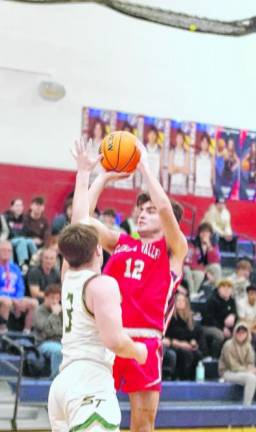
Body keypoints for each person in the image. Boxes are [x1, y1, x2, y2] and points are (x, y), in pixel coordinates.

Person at [71, 137, 187, 432]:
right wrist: (102, 177)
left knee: (142, 426)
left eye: (148, 211)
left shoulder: (174, 249)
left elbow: (164, 207)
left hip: (145, 341)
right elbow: (82, 220)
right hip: (107, 339)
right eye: (140, 210)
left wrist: (145, 168)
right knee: (90, 420)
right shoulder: (120, 242)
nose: (142, 213)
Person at [48, 224, 147, 432]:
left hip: (63, 384)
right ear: (98, 250)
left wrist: (85, 189)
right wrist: (139, 351)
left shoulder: (67, 278)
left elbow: (78, 221)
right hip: (89, 383)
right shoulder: (102, 284)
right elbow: (115, 342)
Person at [0, 240, 38, 333]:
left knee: (34, 302)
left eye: (9, 250)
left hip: (14, 297)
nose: (6, 253)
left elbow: (20, 286)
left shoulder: (15, 268)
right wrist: (12, 299)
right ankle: (2, 330)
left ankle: (27, 331)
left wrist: (18, 298)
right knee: (7, 301)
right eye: (3, 250)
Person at [219, 322, 256, 406]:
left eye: (243, 332)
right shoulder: (228, 345)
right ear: (235, 333)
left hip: (245, 371)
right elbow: (233, 366)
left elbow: (251, 363)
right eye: (239, 332)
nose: (241, 334)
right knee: (251, 378)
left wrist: (253, 370)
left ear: (247, 334)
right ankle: (246, 407)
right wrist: (250, 371)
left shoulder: (248, 346)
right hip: (228, 372)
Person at [163, 293, 202, 380]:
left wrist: (193, 341)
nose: (180, 302)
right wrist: (181, 344)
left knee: (198, 354)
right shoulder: (170, 318)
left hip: (186, 345)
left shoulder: (190, 319)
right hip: (173, 344)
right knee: (185, 354)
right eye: (178, 300)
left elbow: (193, 334)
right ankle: (183, 378)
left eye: (183, 300)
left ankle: (193, 380)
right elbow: (167, 337)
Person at [201, 279, 237, 358]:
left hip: (225, 327)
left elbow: (235, 313)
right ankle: (214, 358)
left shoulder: (232, 301)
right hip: (208, 326)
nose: (226, 289)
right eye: (223, 287)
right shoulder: (212, 300)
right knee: (219, 335)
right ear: (218, 289)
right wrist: (222, 328)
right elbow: (209, 318)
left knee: (239, 333)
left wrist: (233, 315)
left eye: (229, 287)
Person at [34, 284, 63, 379]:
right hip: (43, 343)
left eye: (57, 298)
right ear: (45, 297)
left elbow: (63, 331)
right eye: (52, 298)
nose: (55, 301)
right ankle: (55, 379)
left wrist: (55, 331)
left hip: (60, 341)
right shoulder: (39, 311)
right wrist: (54, 315)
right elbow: (45, 330)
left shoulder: (62, 312)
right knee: (59, 351)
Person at [184, 222, 221, 297]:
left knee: (217, 267)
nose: (205, 234)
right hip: (195, 267)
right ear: (199, 233)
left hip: (204, 268)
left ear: (211, 234)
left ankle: (218, 291)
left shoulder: (213, 245)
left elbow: (216, 260)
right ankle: (193, 294)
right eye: (203, 231)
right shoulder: (193, 244)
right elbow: (189, 261)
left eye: (207, 232)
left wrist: (209, 246)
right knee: (199, 275)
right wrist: (205, 272)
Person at [5, 198, 38, 267]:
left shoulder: (24, 219)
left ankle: (36, 261)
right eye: (17, 206)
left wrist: (34, 238)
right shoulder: (6, 217)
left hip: (21, 239)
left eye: (20, 206)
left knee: (30, 241)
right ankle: (23, 264)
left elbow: (28, 232)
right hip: (10, 240)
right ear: (12, 207)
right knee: (22, 240)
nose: (19, 208)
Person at [139, 126, 163, 190]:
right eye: (150, 134)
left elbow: (161, 166)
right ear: (148, 135)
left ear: (156, 136)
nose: (152, 136)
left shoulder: (159, 149)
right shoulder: (143, 148)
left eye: (154, 134)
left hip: (156, 182)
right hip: (145, 181)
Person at [168, 131, 191, 195]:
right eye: (178, 138)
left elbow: (186, 171)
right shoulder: (172, 152)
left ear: (183, 140)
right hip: (173, 185)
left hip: (183, 186)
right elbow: (170, 171)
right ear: (176, 139)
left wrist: (175, 168)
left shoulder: (186, 153)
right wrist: (181, 169)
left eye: (181, 138)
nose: (179, 140)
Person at [193, 133, 215, 197]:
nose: (204, 144)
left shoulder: (211, 158)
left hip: (208, 189)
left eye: (206, 142)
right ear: (200, 143)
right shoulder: (196, 157)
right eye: (203, 142)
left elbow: (213, 174)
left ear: (208, 144)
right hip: (198, 188)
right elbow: (194, 172)